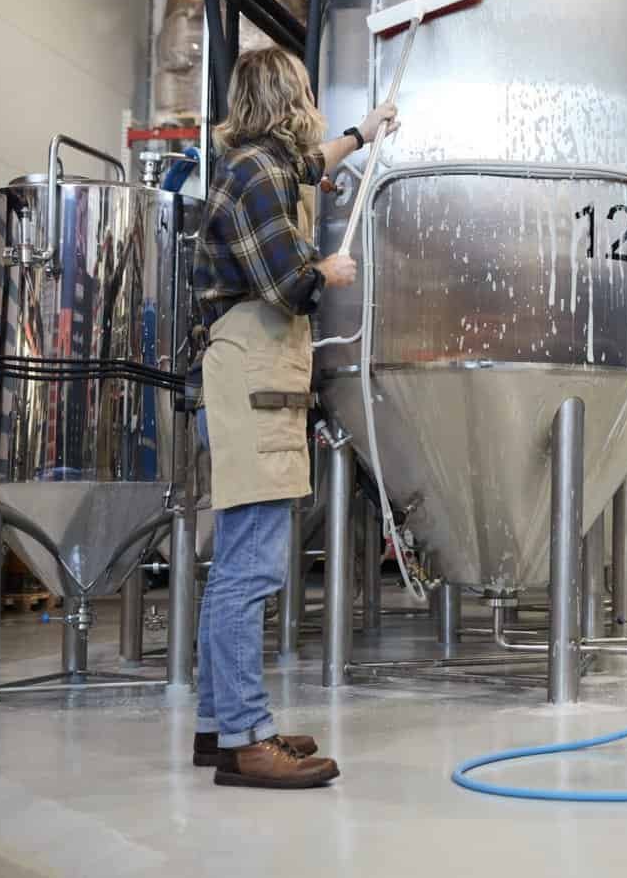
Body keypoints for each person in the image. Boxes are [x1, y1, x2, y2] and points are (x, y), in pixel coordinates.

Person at [189, 46, 397, 789]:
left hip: (248, 376)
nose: (312, 102)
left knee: (237, 565)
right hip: (252, 373)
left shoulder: (261, 165)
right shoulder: (256, 175)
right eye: (305, 92)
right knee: (249, 569)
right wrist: (326, 271)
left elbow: (308, 166)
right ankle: (248, 738)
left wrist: (362, 133)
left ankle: (220, 726)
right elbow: (287, 283)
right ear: (286, 100)